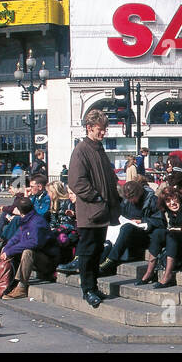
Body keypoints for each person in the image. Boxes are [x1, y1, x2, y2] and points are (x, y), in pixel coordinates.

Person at [68, 109, 122, 308]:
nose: (103, 133)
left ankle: (93, 286)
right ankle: (88, 289)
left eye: (105, 129)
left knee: (96, 250)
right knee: (88, 251)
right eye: (101, 129)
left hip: (102, 210)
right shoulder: (81, 150)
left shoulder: (98, 149)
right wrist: (97, 197)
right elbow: (76, 181)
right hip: (91, 211)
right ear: (89, 128)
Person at [99, 179, 164, 280]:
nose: (131, 201)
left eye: (133, 198)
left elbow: (160, 222)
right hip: (126, 231)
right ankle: (101, 260)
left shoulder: (153, 200)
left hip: (145, 234)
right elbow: (121, 214)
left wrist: (142, 221)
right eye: (129, 199)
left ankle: (111, 261)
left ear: (139, 193)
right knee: (113, 227)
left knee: (127, 228)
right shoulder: (127, 201)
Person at [0, 195, 56, 300]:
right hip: (38, 257)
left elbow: (33, 243)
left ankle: (21, 287)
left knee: (27, 252)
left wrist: (10, 251)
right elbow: (17, 236)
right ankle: (4, 283)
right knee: (9, 249)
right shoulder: (28, 218)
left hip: (47, 261)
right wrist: (6, 249)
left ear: (19, 210)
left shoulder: (36, 222)